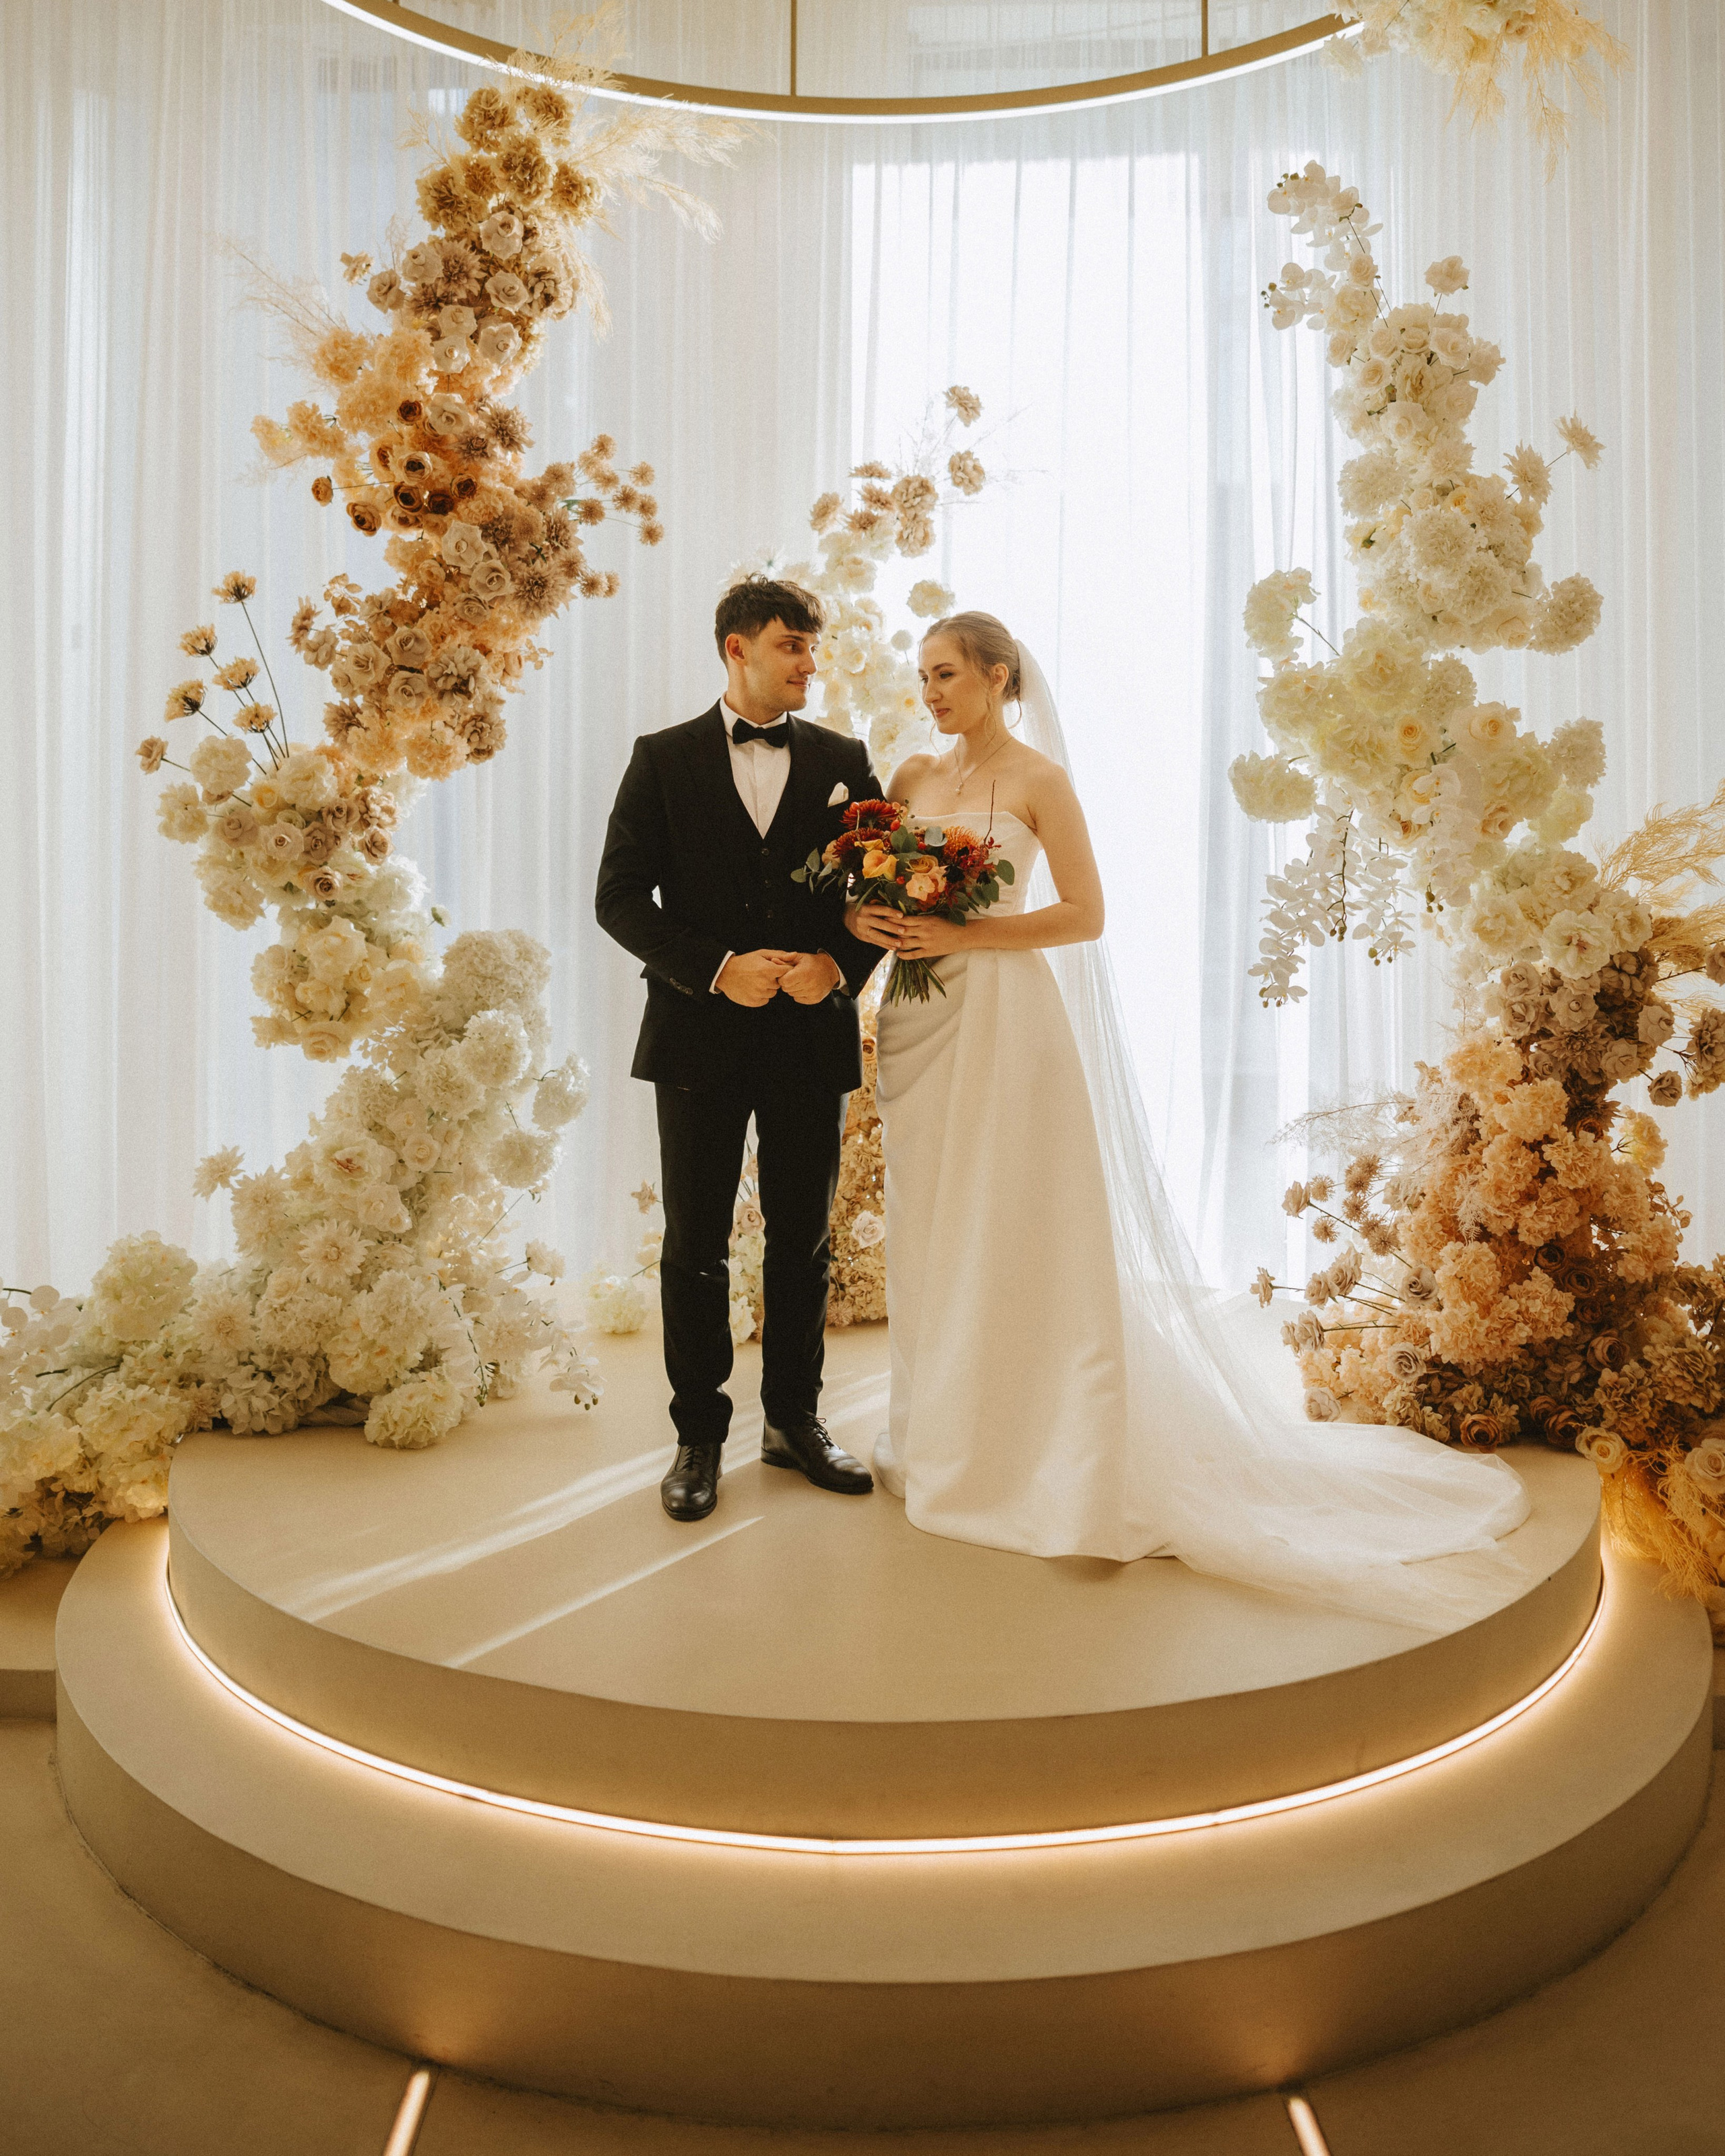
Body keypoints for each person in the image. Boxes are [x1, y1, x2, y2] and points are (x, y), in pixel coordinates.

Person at [846, 611, 1533, 1631]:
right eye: (924, 677)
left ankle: (1035, 1451)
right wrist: (870, 923)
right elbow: (868, 898)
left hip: (1004, 1019)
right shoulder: (906, 778)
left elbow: (1086, 914)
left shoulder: (1039, 781)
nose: (931, 692)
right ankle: (945, 1437)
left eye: (946, 675)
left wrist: (964, 927)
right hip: (917, 1023)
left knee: (1013, 1222)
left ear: (999, 676)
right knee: (932, 1228)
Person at [595, 577, 885, 1522]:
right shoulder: (663, 759)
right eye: (793, 645)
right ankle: (699, 1437)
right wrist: (717, 967)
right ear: (737, 650)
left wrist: (835, 966)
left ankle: (795, 1422)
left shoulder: (846, 760)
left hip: (810, 1038)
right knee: (696, 1248)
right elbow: (620, 899)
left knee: (803, 1242)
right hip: (698, 1039)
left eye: (811, 646)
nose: (810, 662)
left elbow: (888, 890)